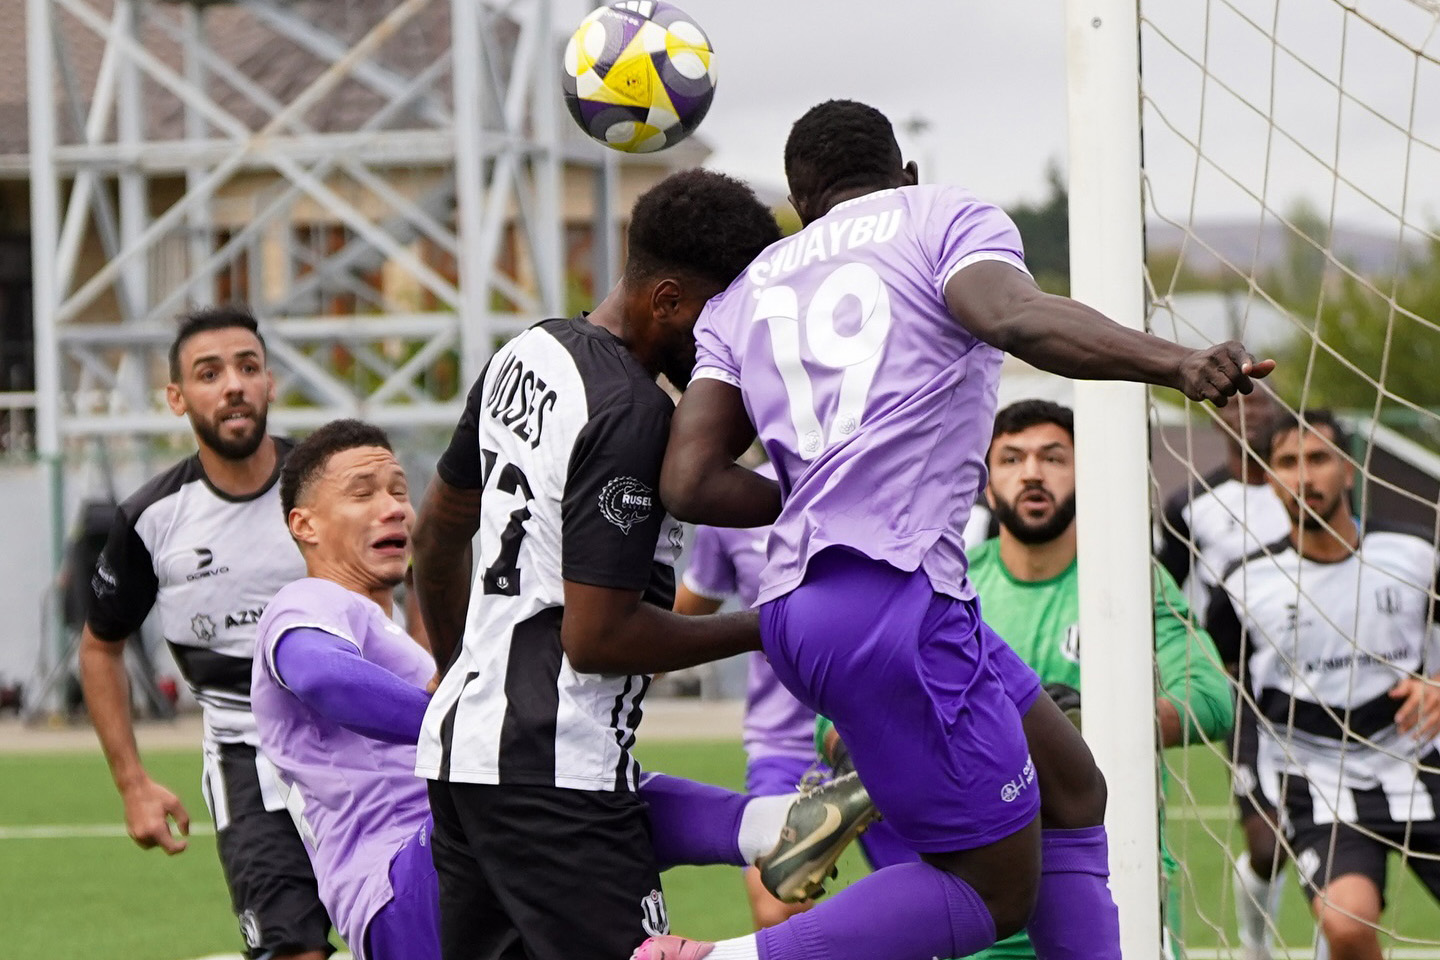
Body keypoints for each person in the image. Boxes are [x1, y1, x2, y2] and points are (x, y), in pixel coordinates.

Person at [650, 99, 1274, 960]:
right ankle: (724, 959)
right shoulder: (938, 216)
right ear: (904, 175)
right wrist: (1176, 362)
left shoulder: (747, 291)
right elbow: (1012, 317)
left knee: (1073, 790)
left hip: (807, 609)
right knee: (994, 891)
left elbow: (688, 481)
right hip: (897, 602)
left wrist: (814, 494)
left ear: (800, 205)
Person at [410, 169, 872, 960]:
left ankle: (770, 825)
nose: (737, 345)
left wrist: (462, 671)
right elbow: (599, 640)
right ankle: (771, 825)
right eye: (725, 318)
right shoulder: (632, 414)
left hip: (465, 758)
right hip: (556, 770)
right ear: (666, 301)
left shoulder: (526, 352)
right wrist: (771, 626)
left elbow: (437, 535)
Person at [254, 419, 872, 960]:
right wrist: (468, 722)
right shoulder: (308, 601)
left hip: (467, 856)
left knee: (574, 773)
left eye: (397, 489)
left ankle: (775, 827)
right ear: (303, 525)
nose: (393, 507)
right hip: (405, 883)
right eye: (362, 493)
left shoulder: (392, 632)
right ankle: (770, 827)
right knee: (550, 769)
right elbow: (321, 674)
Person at [815, 398, 1235, 959]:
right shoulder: (940, 589)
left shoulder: (1135, 582)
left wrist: (1094, 720)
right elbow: (833, 719)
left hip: (1115, 879)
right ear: (987, 486)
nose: (1032, 473)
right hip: (972, 894)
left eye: (1053, 457)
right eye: (1011, 459)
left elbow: (1211, 700)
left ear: (1088, 475)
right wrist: (875, 757)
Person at [80, 307, 332, 960]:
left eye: (248, 367)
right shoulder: (152, 518)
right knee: (291, 951)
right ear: (177, 397)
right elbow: (100, 648)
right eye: (209, 373)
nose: (233, 385)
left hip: (366, 743)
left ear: (270, 383)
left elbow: (417, 582)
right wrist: (132, 783)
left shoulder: (332, 484)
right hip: (249, 761)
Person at [1207, 410, 1440, 960]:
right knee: (1346, 925)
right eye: (1287, 462)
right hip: (1317, 774)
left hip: (1420, 756)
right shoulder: (1244, 583)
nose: (1304, 476)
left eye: (1318, 459)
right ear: (1269, 478)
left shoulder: (1415, 553)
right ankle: (1255, 943)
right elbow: (1228, 678)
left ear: (1349, 470)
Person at [675, 460, 850, 924]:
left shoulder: (876, 476)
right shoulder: (731, 502)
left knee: (957, 898)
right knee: (778, 901)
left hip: (886, 738)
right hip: (785, 747)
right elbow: (685, 616)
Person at [1158, 378, 1295, 960]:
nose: (1246, 412)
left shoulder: (1306, 492)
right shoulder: (1191, 505)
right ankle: (1254, 945)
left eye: (1257, 400)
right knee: (1268, 845)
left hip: (1318, 681)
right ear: (1214, 418)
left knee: (1339, 839)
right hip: (1242, 687)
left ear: (1277, 409)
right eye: (1233, 402)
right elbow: (1168, 595)